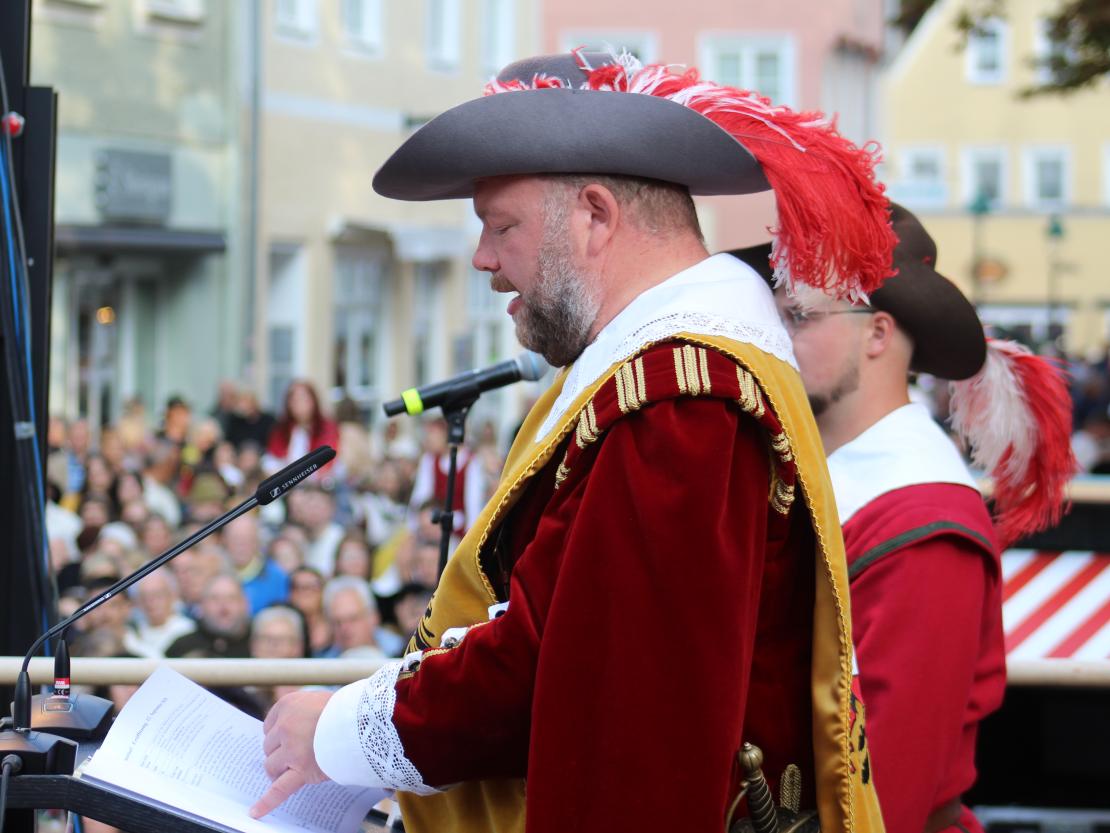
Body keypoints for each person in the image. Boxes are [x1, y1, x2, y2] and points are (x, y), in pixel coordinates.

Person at [251, 51, 896, 833]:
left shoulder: (679, 400)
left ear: (595, 215)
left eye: (502, 225)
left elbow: (575, 665)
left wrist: (338, 733)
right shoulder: (671, 377)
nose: (483, 258)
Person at [735, 204, 1075, 833]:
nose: (774, 339)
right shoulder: (814, 476)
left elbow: (885, 793)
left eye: (799, 316)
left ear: (877, 334)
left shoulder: (922, 518)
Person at [264, 380, 339, 473]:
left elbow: (330, 462)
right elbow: (271, 461)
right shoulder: (280, 430)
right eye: (294, 400)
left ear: (313, 401)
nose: (299, 404)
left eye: (303, 399)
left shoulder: (326, 428)